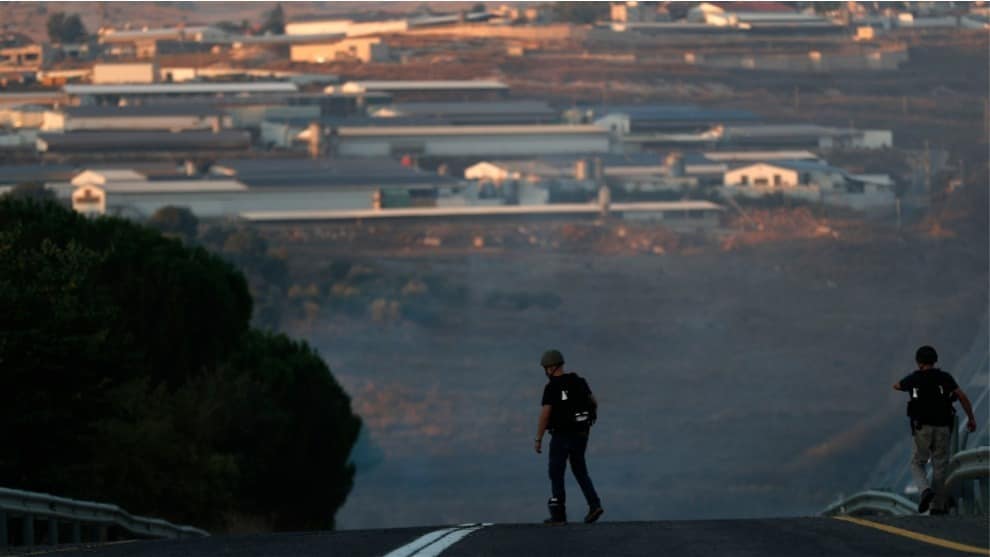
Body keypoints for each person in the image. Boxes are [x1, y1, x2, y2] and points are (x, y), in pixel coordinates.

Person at [893, 345, 977, 514]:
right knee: (940, 466)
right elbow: (961, 396)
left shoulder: (914, 378)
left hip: (922, 428)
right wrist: (971, 418)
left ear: (919, 362)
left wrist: (911, 384)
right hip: (943, 427)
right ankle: (937, 507)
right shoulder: (945, 377)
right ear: (935, 360)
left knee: (917, 463)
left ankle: (925, 490)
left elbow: (896, 385)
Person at [534, 349, 604, 525]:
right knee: (580, 470)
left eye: (546, 368)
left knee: (556, 472)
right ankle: (594, 505)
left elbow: (545, 414)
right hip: (581, 435)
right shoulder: (579, 381)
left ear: (551, 367)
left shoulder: (551, 387)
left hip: (561, 436)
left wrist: (538, 438)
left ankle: (559, 515)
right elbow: (594, 403)